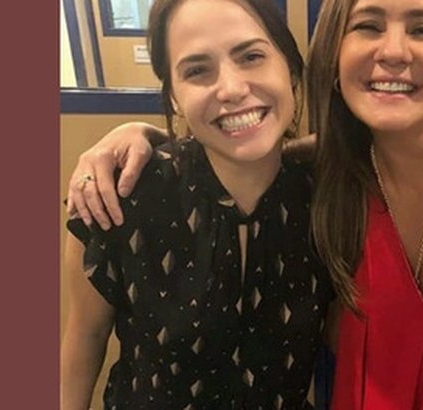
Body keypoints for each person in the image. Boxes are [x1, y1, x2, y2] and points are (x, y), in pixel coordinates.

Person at [65, 0, 423, 408]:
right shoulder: (317, 173)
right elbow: (82, 343)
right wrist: (134, 135)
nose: (393, 51)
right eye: (368, 25)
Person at [60, 0, 333, 409]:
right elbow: (85, 339)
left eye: (252, 56)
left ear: (291, 70)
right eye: (197, 70)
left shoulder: (327, 198)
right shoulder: (118, 197)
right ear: (173, 97)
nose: (232, 88)